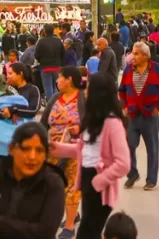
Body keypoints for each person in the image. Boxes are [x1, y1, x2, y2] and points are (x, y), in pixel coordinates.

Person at [51, 72, 131, 239]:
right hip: (87, 181)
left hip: (99, 185)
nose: (85, 92)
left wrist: (99, 181)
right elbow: (82, 150)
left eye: (88, 88)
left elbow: (123, 163)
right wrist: (57, 148)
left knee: (88, 232)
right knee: (88, 230)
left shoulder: (113, 123)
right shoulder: (92, 120)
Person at [0, 121, 65, 239]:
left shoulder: (53, 184)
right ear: (11, 149)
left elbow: (45, 232)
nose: (32, 157)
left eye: (39, 150)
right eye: (25, 149)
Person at [40, 66, 85, 239]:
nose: (57, 81)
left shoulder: (84, 99)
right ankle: (71, 213)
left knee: (73, 186)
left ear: (69, 80)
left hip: (75, 150)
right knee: (54, 185)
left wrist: (80, 128)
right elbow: (44, 122)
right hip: (53, 149)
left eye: (60, 78)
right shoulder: (55, 98)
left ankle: (69, 225)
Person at [119, 41, 159, 191]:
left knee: (152, 148)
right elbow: (122, 90)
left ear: (145, 55)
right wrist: (125, 105)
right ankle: (132, 174)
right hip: (133, 115)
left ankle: (151, 180)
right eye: (132, 53)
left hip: (150, 116)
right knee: (128, 146)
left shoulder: (158, 70)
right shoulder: (128, 70)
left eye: (135, 54)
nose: (132, 56)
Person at [35, 24, 64, 101]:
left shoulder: (41, 41)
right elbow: (63, 54)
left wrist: (40, 60)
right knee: (55, 86)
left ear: (44, 31)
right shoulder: (58, 40)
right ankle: (56, 103)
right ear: (53, 30)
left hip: (45, 67)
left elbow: (36, 55)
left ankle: (50, 104)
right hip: (57, 67)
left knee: (48, 87)